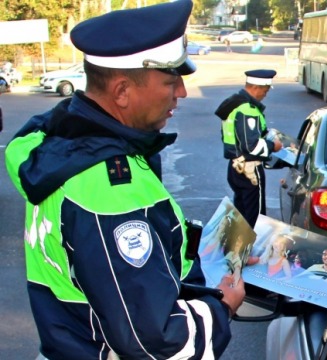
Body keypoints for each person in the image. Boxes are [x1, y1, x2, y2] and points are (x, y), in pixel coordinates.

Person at [4, 1, 245, 359]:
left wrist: (211, 247)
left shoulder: (60, 143)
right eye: (170, 80)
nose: (181, 92)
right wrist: (223, 307)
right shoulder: (110, 188)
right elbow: (160, 343)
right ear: (121, 92)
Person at [215, 69, 282, 228]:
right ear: (256, 88)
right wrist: (274, 145)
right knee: (256, 216)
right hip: (249, 169)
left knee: (241, 213)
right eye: (264, 92)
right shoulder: (248, 110)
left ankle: (240, 249)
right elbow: (251, 146)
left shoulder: (233, 104)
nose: (265, 95)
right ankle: (254, 250)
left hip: (235, 166)